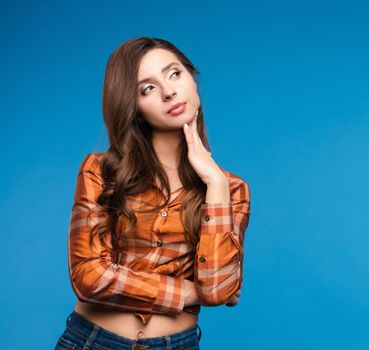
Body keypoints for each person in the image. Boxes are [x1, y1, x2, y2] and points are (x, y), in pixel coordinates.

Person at [54, 37, 251, 350]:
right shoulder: (100, 171)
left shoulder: (230, 190)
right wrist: (189, 292)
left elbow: (218, 289)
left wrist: (214, 182)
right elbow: (89, 277)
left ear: (192, 77)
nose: (169, 91)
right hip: (92, 341)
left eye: (174, 74)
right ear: (134, 108)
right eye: (147, 88)